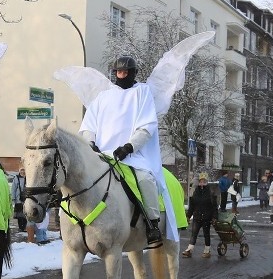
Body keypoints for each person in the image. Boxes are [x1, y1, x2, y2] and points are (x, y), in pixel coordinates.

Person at [79, 55, 164, 247]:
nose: (122, 75)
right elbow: (89, 126)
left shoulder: (142, 92)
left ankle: (153, 224)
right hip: (102, 156)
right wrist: (90, 143)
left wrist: (129, 147)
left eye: (126, 72)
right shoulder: (103, 96)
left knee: (145, 180)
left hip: (132, 156)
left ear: (133, 73)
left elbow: (147, 126)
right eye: (119, 72)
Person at [182, 173, 218, 258]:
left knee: (206, 234)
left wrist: (214, 217)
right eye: (200, 181)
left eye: (204, 181)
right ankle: (189, 250)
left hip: (207, 217)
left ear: (206, 182)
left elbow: (214, 207)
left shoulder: (210, 192)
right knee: (194, 233)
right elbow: (192, 206)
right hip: (197, 216)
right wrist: (188, 216)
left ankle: (207, 250)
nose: (202, 183)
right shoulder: (196, 192)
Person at [10, 167, 27, 233]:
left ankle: (25, 226)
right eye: (21, 170)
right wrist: (13, 197)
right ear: (19, 171)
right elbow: (13, 188)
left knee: (26, 214)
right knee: (19, 214)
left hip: (26, 199)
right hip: (18, 199)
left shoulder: (28, 178)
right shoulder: (16, 178)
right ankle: (21, 227)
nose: (23, 172)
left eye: (24, 170)